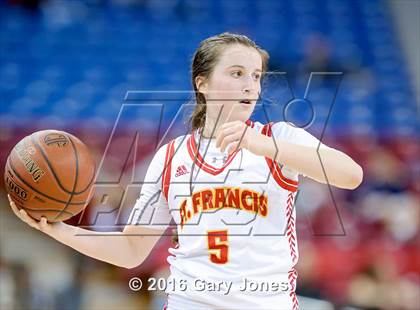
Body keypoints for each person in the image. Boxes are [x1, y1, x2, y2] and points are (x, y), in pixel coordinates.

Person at [9, 32, 363, 310]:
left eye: (256, 76)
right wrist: (57, 231)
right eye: (237, 73)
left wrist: (263, 146)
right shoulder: (170, 157)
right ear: (202, 83)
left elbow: (350, 175)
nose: (250, 85)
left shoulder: (279, 138)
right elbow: (132, 249)